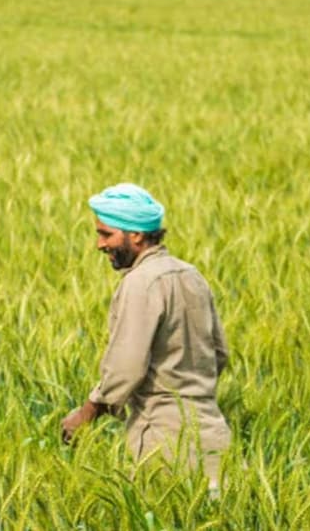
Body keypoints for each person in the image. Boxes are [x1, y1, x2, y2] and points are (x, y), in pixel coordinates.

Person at [61, 183, 231, 489]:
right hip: (216, 440)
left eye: (105, 234)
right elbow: (219, 354)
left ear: (136, 234)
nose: (100, 244)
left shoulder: (140, 283)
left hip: (161, 444)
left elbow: (125, 369)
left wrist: (85, 415)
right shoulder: (192, 275)